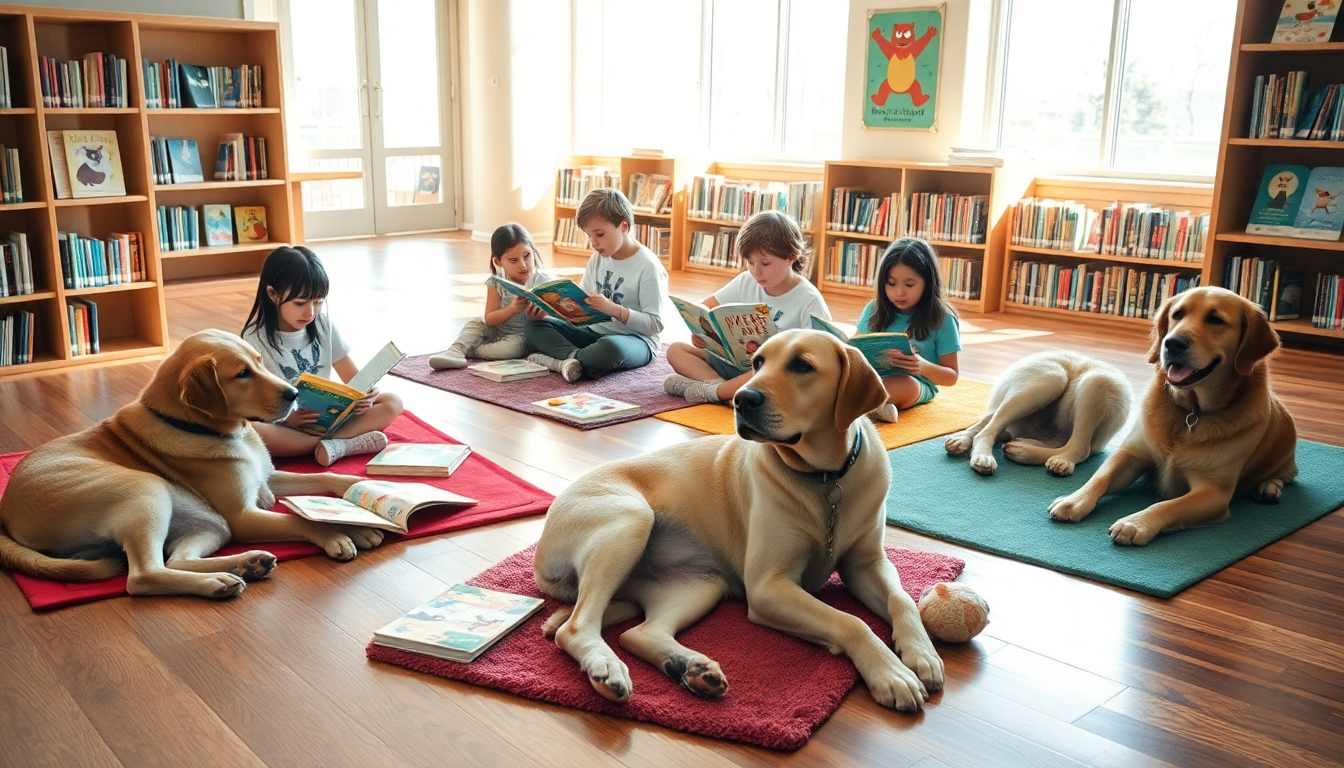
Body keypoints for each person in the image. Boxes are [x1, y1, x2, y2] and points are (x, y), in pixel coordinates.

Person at [241, 246, 404, 466]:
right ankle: (342, 444)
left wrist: (366, 396)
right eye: (300, 303)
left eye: (317, 302)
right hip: (285, 425)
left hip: (330, 418)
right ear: (273, 294)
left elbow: (352, 379)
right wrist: (287, 419)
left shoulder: (324, 325)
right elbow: (252, 405)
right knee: (251, 431)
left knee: (393, 402)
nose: (310, 312)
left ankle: (326, 444)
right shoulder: (252, 340)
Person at [663, 210, 831, 404]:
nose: (756, 271)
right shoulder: (747, 280)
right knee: (676, 351)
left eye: (765, 263)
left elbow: (822, 357)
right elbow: (705, 308)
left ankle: (715, 392)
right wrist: (703, 334)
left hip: (772, 374)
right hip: (735, 364)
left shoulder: (809, 299)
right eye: (750, 262)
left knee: (768, 367)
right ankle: (724, 391)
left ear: (791, 257)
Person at [524, 188, 667, 382]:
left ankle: (566, 360)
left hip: (636, 340)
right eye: (588, 235)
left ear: (623, 226)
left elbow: (655, 325)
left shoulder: (648, 267)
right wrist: (552, 311)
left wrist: (615, 310)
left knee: (610, 349)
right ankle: (576, 361)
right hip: (593, 332)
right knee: (534, 327)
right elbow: (583, 311)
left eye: (599, 234)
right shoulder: (597, 259)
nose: (593, 242)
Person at [856, 237, 961, 423]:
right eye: (891, 283)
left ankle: (863, 406)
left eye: (909, 285)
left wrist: (922, 365)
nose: (899, 292)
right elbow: (856, 345)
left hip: (917, 382)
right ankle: (875, 407)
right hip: (872, 378)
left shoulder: (942, 319)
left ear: (927, 283)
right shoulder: (874, 309)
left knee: (901, 385)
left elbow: (951, 376)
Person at [430, 223, 549, 369]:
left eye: (527, 256)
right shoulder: (495, 283)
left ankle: (473, 351)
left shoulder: (543, 281)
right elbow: (490, 319)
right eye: (513, 260)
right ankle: (456, 350)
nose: (523, 266)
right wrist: (512, 308)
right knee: (475, 324)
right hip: (495, 331)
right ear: (498, 261)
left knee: (515, 349)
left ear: (533, 251)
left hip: (520, 338)